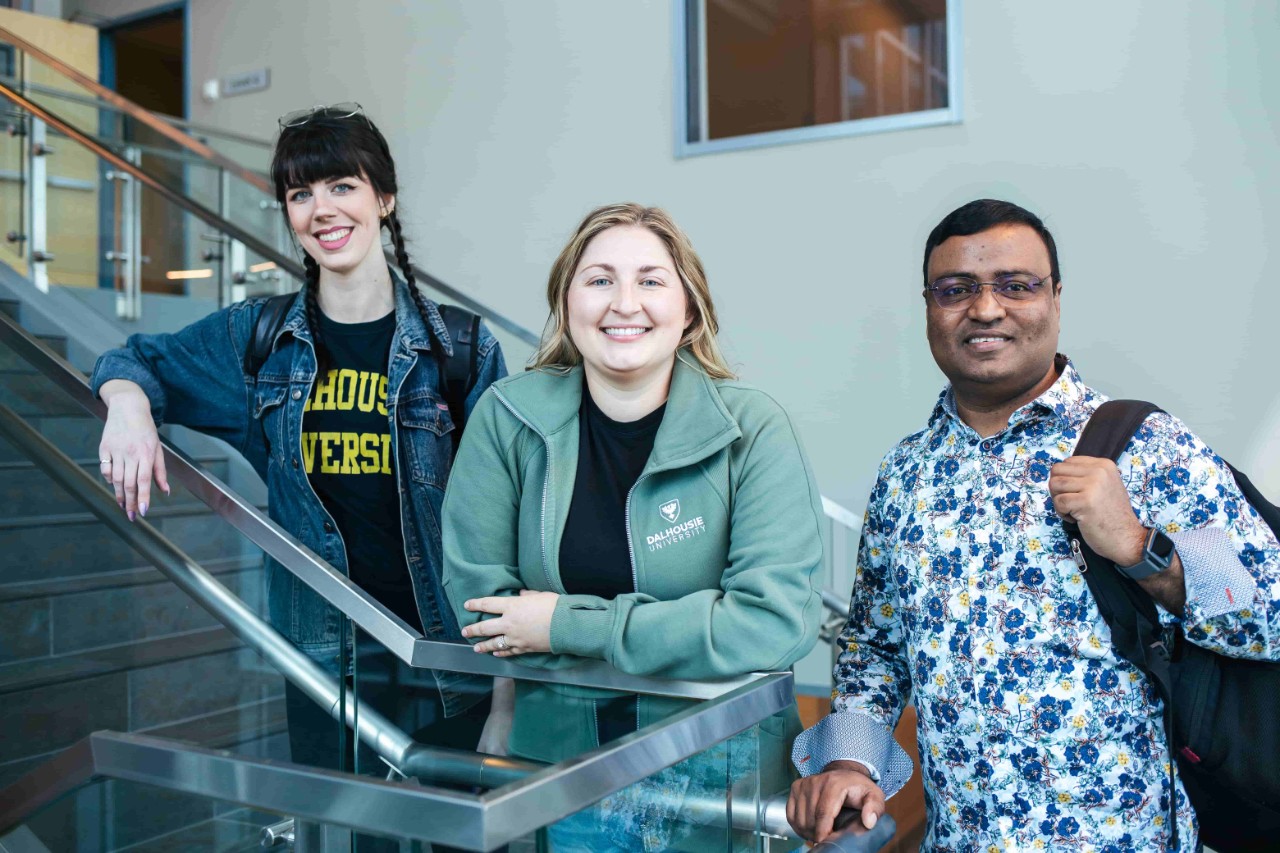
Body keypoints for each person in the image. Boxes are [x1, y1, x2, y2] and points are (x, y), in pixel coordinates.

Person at [786, 199, 1280, 851]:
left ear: (1055, 297)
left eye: (1016, 285)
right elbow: (876, 646)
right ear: (930, 306)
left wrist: (1140, 547)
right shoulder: (906, 474)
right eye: (956, 289)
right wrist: (851, 762)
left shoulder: (1144, 446)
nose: (985, 309)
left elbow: (1269, 612)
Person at [90, 103, 507, 778]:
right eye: (300, 193)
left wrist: (508, 694)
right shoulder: (256, 340)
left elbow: (504, 525)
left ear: (384, 197)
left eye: (342, 185)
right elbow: (133, 358)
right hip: (322, 659)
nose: (322, 210)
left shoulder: (460, 346)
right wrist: (128, 402)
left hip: (445, 661)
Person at [440, 202, 825, 850]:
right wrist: (692, 626)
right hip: (559, 773)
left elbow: (773, 622)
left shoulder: (753, 429)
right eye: (599, 279)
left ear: (689, 310)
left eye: (650, 280)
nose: (625, 302)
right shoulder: (507, 418)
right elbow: (484, 610)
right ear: (567, 304)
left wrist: (563, 624)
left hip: (718, 779)